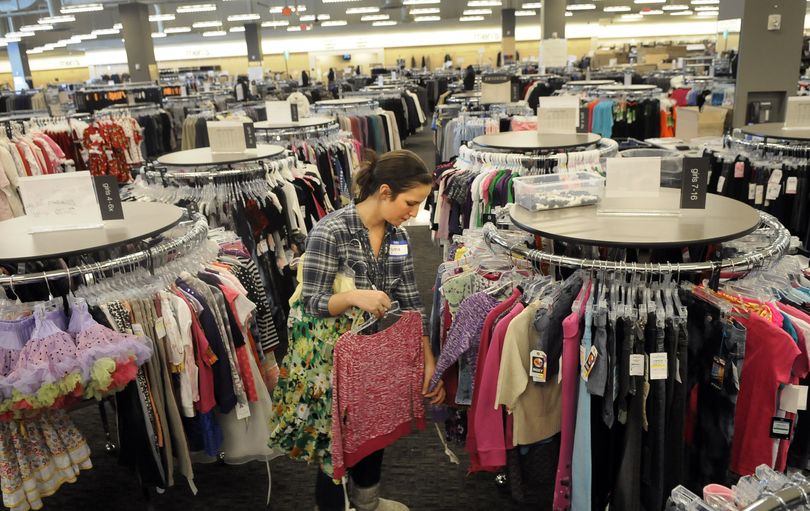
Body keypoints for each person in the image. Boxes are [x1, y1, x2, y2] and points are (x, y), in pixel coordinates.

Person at [269, 150, 445, 511]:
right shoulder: (330, 232)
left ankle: (368, 502)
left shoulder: (397, 238)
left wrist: (429, 360)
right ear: (384, 191)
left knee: (373, 428)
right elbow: (312, 303)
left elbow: (410, 302)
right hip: (327, 358)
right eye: (410, 203)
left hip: (371, 352)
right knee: (333, 442)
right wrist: (352, 296)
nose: (414, 212)